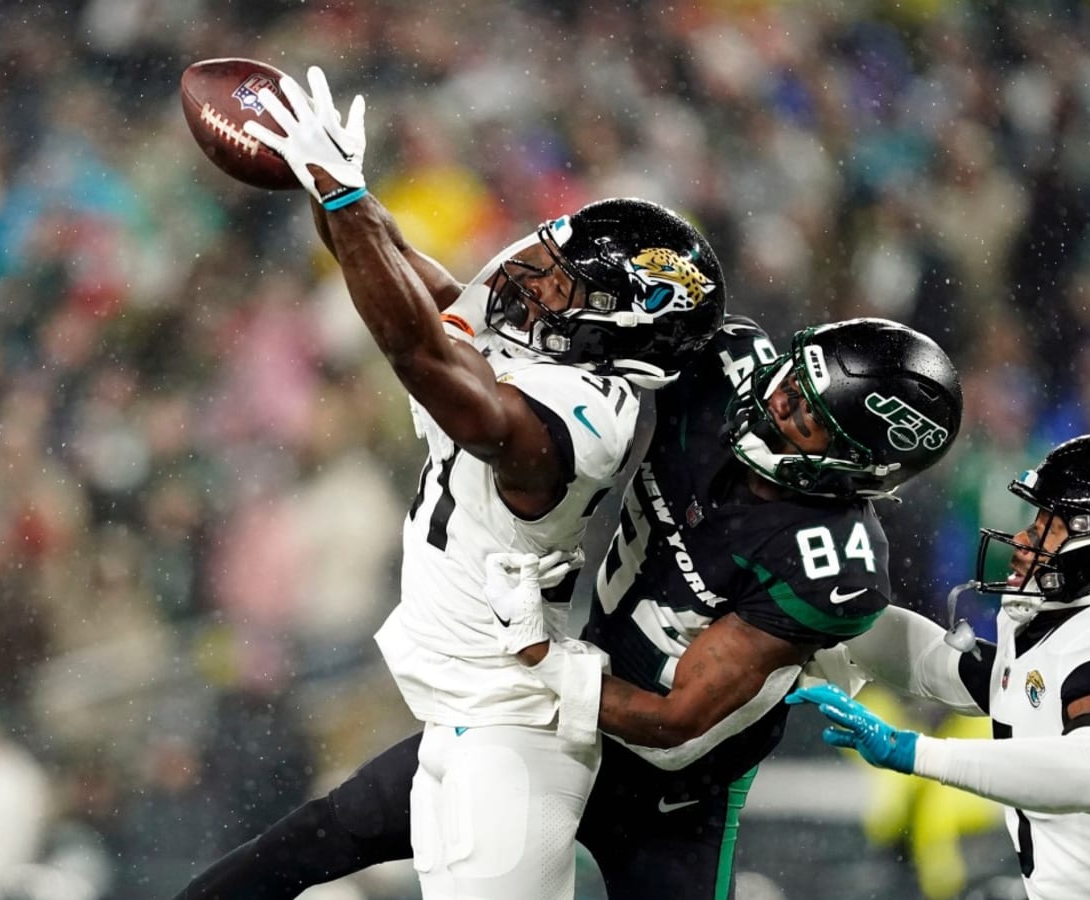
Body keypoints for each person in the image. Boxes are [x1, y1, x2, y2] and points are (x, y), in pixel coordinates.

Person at [175, 314, 963, 900]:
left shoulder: (831, 560)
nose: (773, 406)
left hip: (674, 792)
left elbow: (676, 719)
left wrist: (544, 658)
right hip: (548, 724)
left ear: (860, 467)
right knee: (330, 830)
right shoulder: (722, 367)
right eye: (790, 383)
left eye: (804, 417)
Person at [176, 67, 726, 900]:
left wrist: (338, 198)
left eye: (565, 284)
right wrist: (332, 184)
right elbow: (412, 282)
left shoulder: (578, 416)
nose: (533, 278)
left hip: (508, 735)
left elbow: (418, 349)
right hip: (464, 714)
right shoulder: (551, 351)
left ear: (622, 329)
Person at [790, 432, 1090, 899]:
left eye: (1052, 523)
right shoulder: (1061, 637)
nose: (1024, 539)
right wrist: (817, 612)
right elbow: (936, 666)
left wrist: (915, 752)